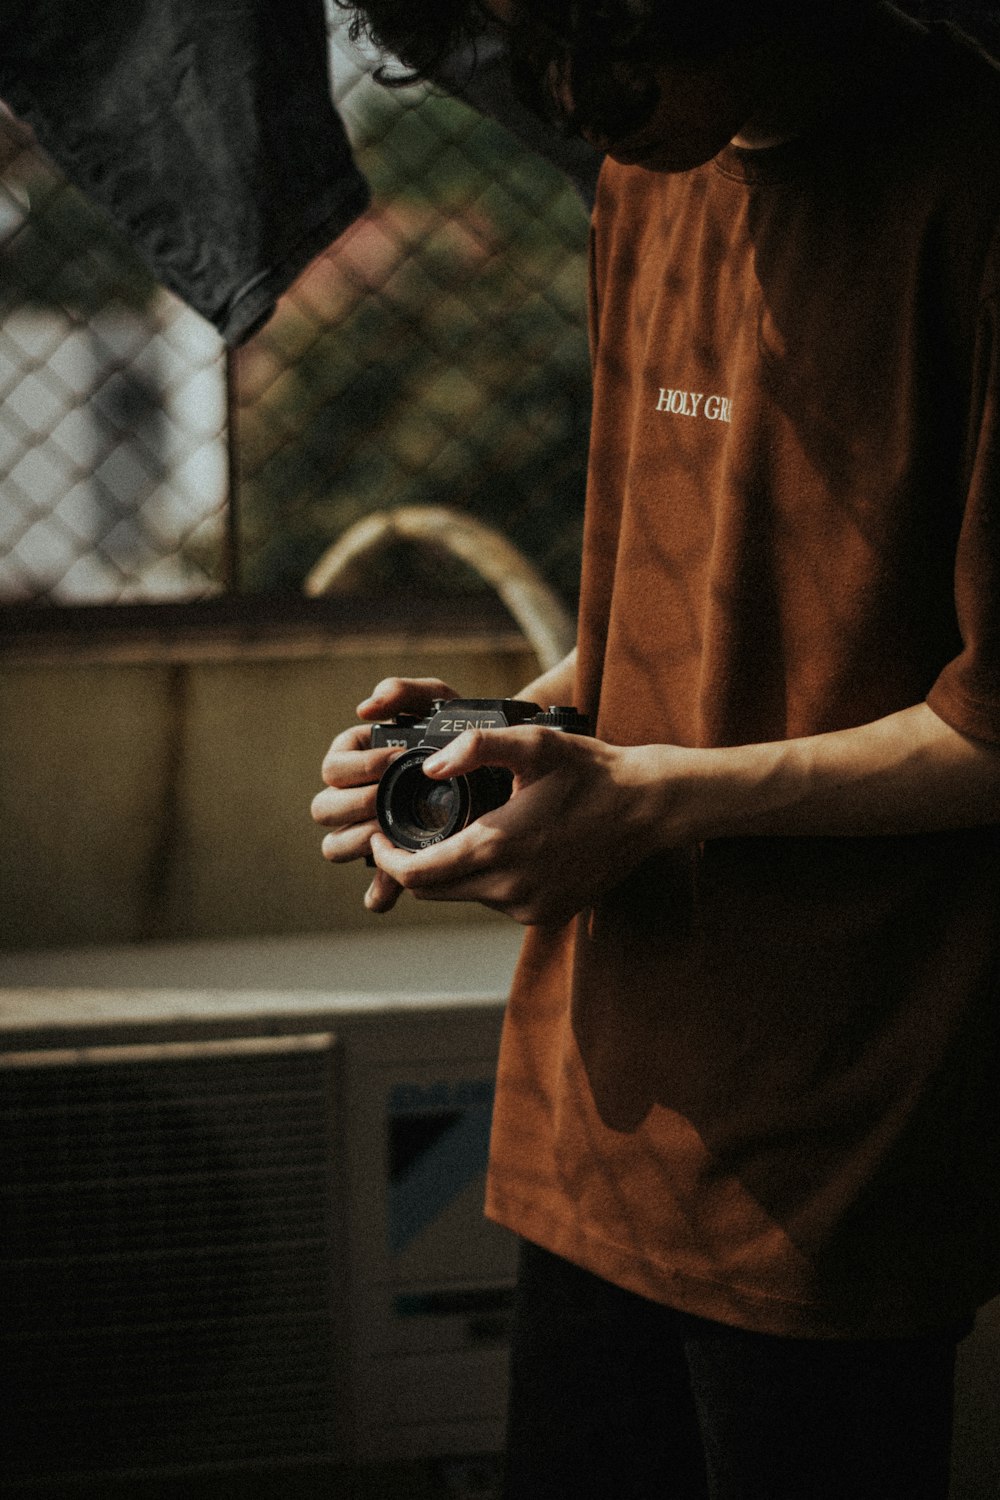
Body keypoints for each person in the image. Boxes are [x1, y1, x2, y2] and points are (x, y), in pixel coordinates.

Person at [312, 2, 1000, 1494]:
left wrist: (644, 804)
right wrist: (507, 744)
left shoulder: (972, 190)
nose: (577, 103)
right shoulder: (646, 173)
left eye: (616, 52)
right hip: (590, 1104)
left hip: (829, 1141)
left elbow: (986, 728)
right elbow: (653, 631)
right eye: (540, 52)